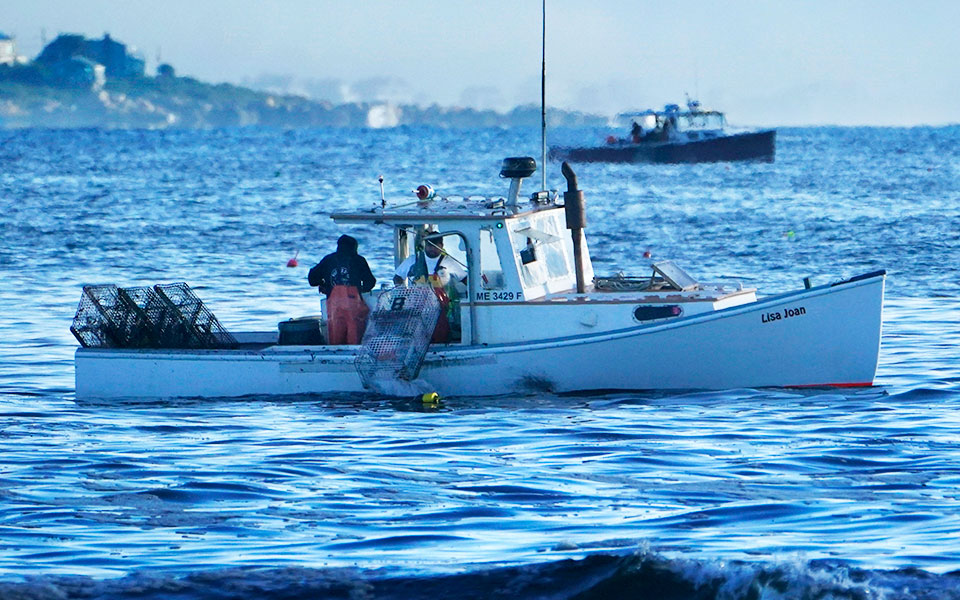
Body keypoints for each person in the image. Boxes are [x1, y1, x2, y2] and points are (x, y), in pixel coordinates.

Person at [393, 234, 467, 342]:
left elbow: (464, 279)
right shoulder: (414, 260)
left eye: (435, 245)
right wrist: (403, 292)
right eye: (429, 245)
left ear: (441, 246)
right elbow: (397, 277)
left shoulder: (448, 262)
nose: (432, 248)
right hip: (417, 306)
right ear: (425, 245)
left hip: (442, 306)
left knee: (440, 332)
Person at [308, 234, 376, 345]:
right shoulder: (359, 260)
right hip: (354, 303)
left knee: (335, 335)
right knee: (355, 334)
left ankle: (336, 355)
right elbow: (370, 282)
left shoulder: (328, 259)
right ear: (354, 247)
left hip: (334, 304)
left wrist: (323, 284)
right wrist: (362, 289)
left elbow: (312, 279)